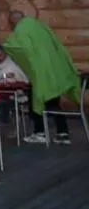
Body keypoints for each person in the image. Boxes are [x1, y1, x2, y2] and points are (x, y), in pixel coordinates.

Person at [5, 11, 78, 146]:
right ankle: (63, 133)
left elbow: (23, 49)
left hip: (40, 72)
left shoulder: (22, 29)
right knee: (53, 102)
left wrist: (7, 45)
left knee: (36, 100)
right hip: (55, 70)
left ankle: (40, 133)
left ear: (14, 21)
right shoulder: (40, 26)